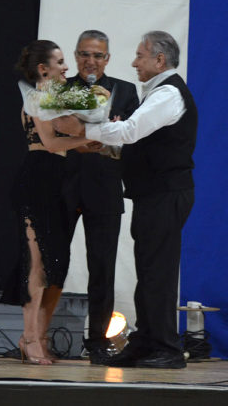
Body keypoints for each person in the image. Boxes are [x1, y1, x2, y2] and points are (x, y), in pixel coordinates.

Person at [53, 31, 197, 369]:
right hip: (152, 194)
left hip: (165, 193)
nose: (134, 62)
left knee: (157, 272)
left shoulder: (168, 94)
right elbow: (134, 141)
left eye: (140, 56)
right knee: (149, 271)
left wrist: (84, 131)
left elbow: (130, 132)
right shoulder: (157, 93)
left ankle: (166, 349)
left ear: (159, 60)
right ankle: (145, 343)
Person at [0, 40, 99, 365]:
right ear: (43, 69)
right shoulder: (38, 98)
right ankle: (29, 338)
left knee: (55, 264)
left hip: (57, 181)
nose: (66, 67)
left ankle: (38, 336)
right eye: (59, 62)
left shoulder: (52, 99)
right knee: (37, 264)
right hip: (37, 181)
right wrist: (93, 136)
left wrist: (93, 141)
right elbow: (50, 141)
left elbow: (66, 144)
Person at [62, 30, 139, 365]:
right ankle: (38, 335)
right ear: (76, 55)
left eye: (98, 55)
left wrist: (116, 141)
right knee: (50, 265)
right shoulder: (58, 91)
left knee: (102, 268)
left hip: (105, 189)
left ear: (107, 59)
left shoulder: (125, 91)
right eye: (84, 54)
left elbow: (135, 141)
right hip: (61, 188)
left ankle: (97, 342)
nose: (90, 61)